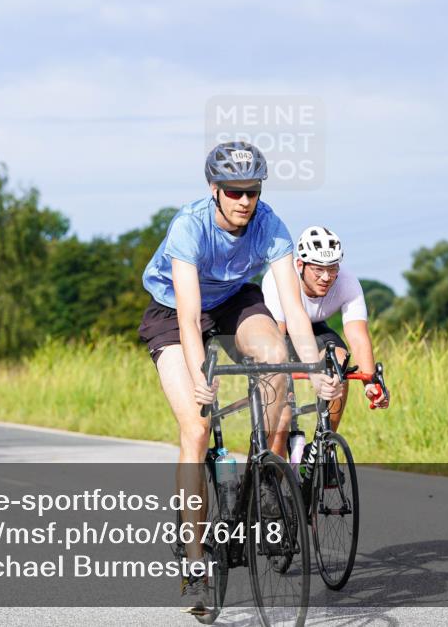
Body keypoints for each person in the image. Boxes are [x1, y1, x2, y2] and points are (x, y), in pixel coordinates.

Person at [139, 141, 342, 614]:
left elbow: (294, 310)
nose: (244, 201)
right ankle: (195, 561)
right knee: (196, 427)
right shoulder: (189, 226)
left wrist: (315, 372)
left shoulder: (270, 225)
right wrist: (200, 378)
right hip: (174, 311)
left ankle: (263, 470)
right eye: (234, 192)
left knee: (274, 355)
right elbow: (189, 317)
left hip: (234, 299)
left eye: (252, 191)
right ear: (214, 189)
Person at [261, 226, 388, 456]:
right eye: (318, 270)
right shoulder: (278, 278)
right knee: (281, 424)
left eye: (332, 269)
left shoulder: (347, 281)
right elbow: (276, 338)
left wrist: (370, 382)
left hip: (317, 329)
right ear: (300, 265)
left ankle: (322, 444)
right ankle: (275, 470)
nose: (326, 277)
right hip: (280, 330)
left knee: (339, 364)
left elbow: (358, 336)